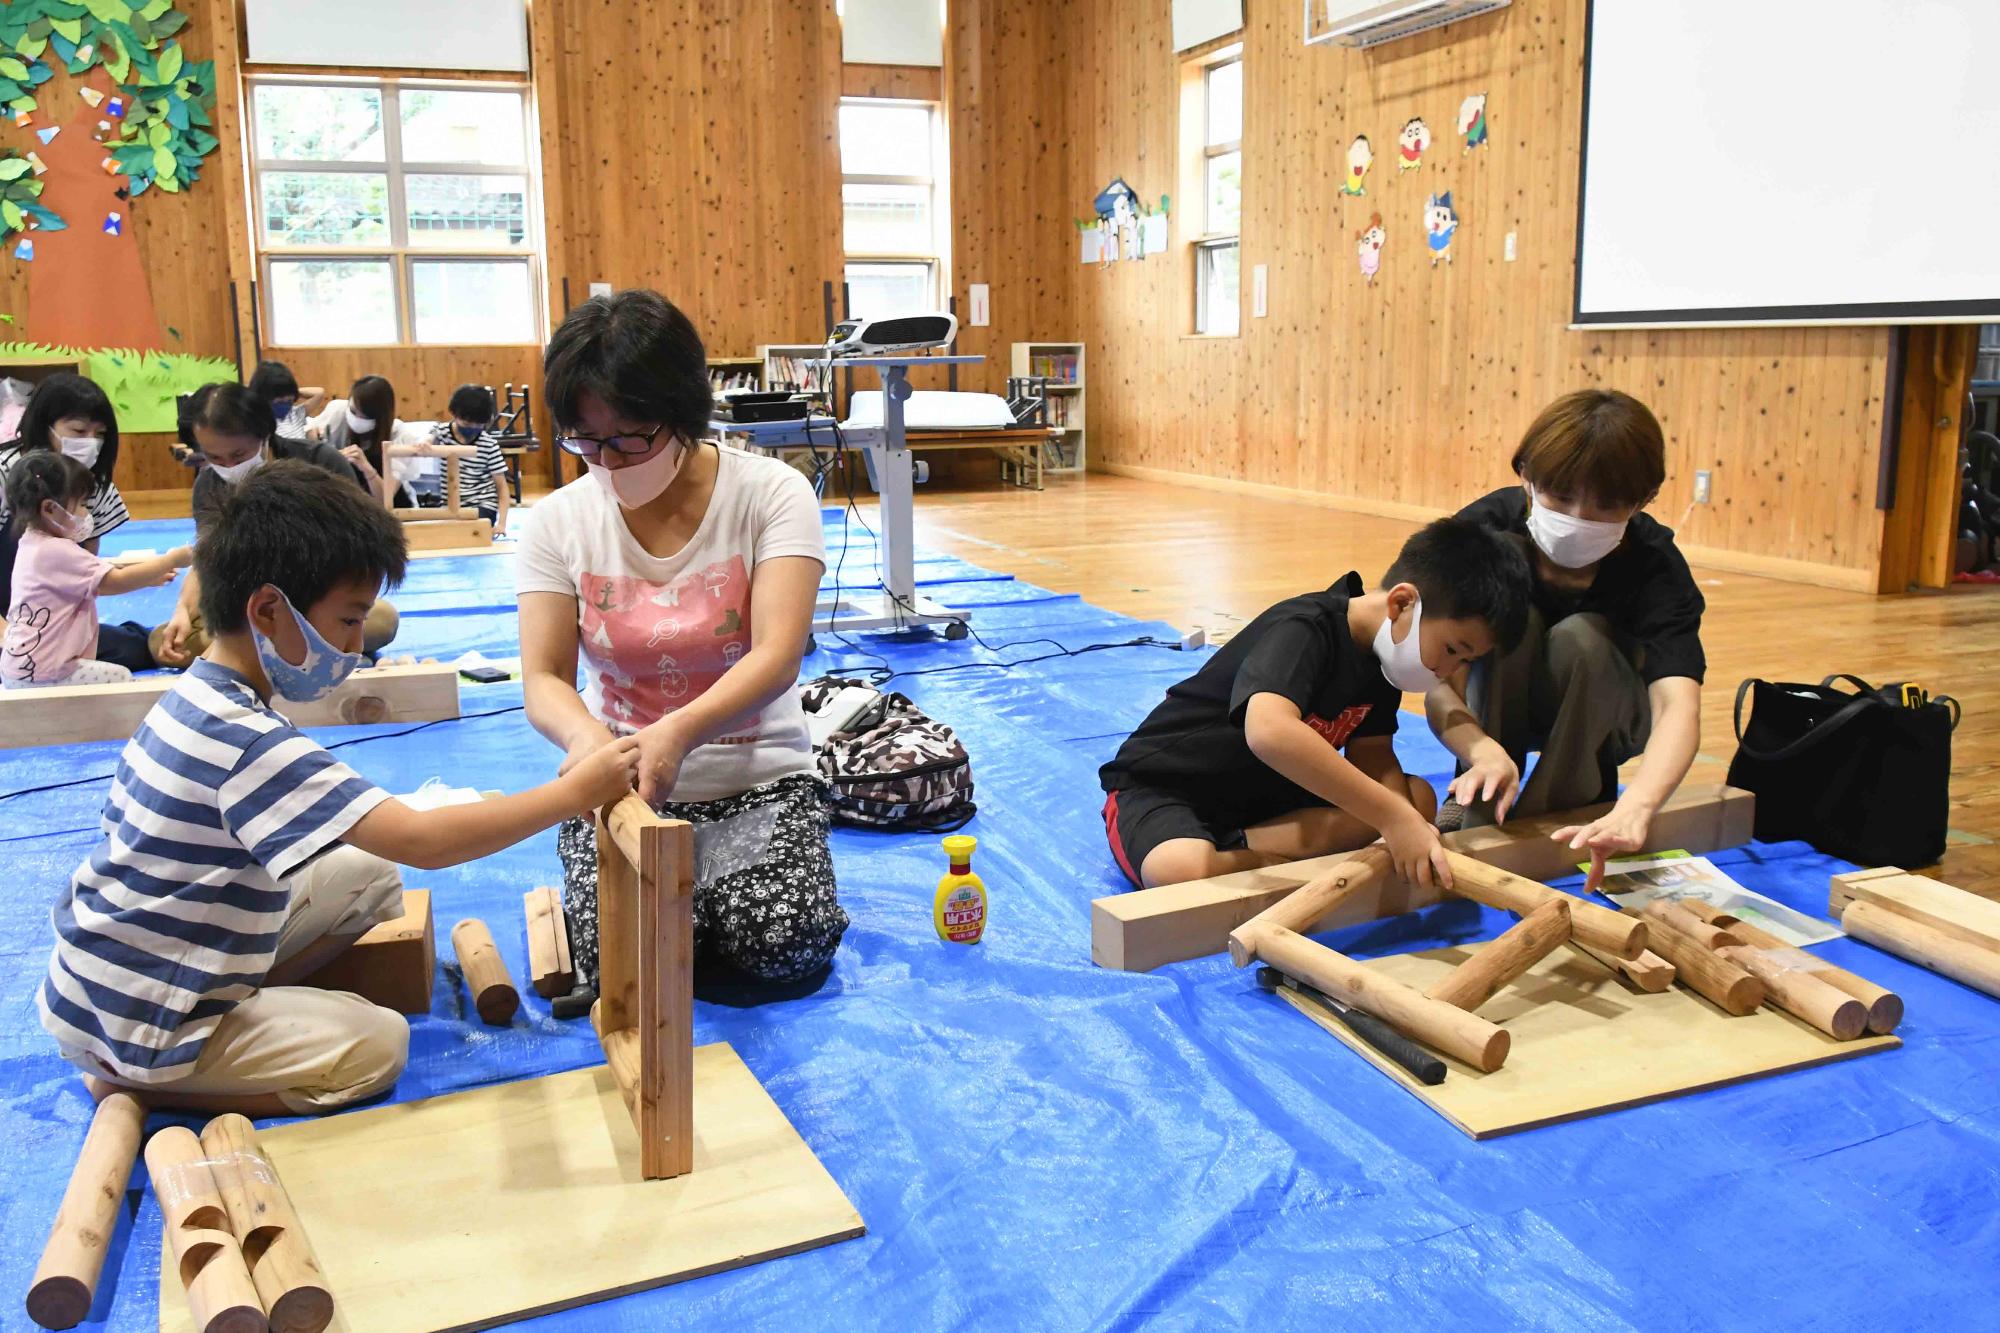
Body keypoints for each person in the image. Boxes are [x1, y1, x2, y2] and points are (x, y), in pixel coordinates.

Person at [40, 461, 642, 1115]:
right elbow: (423, 840)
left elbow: (379, 837)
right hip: (141, 1017)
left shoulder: (201, 695)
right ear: (268, 609)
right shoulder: (246, 738)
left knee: (368, 875)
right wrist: (574, 791)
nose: (356, 645)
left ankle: (228, 1009)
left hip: (114, 975)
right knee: (375, 1044)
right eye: (349, 620)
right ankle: (148, 1081)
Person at [517, 289, 847, 990]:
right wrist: (591, 747)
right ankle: (691, 914)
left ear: (682, 413)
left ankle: (708, 911)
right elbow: (543, 678)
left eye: (629, 437)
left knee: (787, 944)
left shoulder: (771, 494)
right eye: (585, 439)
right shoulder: (557, 523)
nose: (606, 461)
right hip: (624, 786)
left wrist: (679, 732)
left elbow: (777, 654)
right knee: (626, 961)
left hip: (756, 779)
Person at [1100, 517, 1533, 891]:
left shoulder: (1384, 660)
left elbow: (1372, 753)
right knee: (1180, 868)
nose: (1448, 669)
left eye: (1465, 660)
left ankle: (1239, 850)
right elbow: (1268, 732)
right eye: (1453, 649)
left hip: (1264, 797)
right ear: (1403, 603)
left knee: (1417, 799)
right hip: (1172, 785)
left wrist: (1399, 817)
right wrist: (1392, 820)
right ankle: (1251, 860)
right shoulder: (1306, 627)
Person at [1428, 388, 1705, 890]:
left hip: (1603, 712)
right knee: (1513, 618)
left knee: (1585, 637)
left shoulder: (1654, 566)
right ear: (1526, 476)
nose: (1579, 517)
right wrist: (1480, 748)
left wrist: (1638, 806)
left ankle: (1572, 802)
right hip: (1496, 705)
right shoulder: (1482, 535)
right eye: (1561, 497)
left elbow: (1678, 707)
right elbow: (1436, 677)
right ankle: (1479, 799)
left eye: (1606, 506)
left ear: (1642, 502)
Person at [153, 383, 400, 666]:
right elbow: (208, 562)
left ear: (264, 436)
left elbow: (359, 554)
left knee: (381, 620)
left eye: (238, 455)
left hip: (319, 602)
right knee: (166, 641)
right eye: (214, 458)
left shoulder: (318, 462)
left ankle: (283, 648)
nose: (228, 466)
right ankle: (300, 650)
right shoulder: (209, 485)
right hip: (253, 611)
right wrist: (182, 610)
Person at [0, 371, 157, 672]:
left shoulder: (96, 483)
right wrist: (6, 636)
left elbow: (86, 572)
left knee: (137, 649)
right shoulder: (6, 473)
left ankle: (160, 640)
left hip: (46, 623)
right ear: (45, 426)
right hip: (8, 621)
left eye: (99, 435)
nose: (90, 443)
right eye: (79, 431)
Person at [3, 452, 189, 686]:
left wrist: (148, 576)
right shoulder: (57, 550)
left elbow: (94, 578)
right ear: (50, 509)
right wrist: (171, 559)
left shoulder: (31, 542)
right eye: (81, 504)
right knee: (122, 679)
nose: (86, 513)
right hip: (47, 671)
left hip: (19, 667)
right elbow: (114, 581)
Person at [386, 383, 511, 536]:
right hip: (450, 506)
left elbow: (502, 487)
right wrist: (424, 443)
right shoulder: (443, 432)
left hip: (481, 506)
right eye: (466, 423)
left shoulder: (488, 445)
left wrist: (502, 524)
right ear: (455, 415)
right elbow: (429, 437)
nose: (472, 427)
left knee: (470, 530)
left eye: (478, 424)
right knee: (441, 532)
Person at [308, 375, 408, 508]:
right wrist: (315, 441)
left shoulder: (398, 434)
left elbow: (386, 499)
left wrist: (366, 468)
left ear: (381, 417)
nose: (357, 419)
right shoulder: (337, 411)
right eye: (353, 411)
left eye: (365, 416)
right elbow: (309, 434)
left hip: (387, 508)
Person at [246, 359, 328, 441]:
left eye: (289, 401)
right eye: (280, 401)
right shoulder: (259, 423)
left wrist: (292, 390)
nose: (285, 404)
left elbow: (319, 393)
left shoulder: (295, 414)